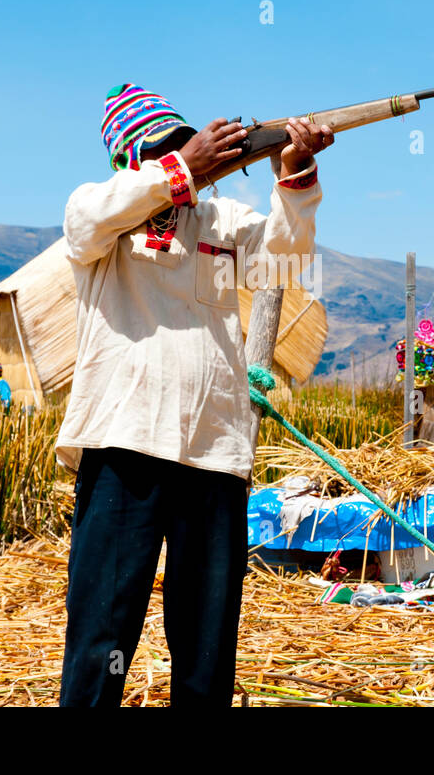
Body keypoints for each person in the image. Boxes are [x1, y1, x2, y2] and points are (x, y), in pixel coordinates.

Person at [56, 83, 331, 707]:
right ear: (134, 159)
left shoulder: (220, 225)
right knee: (104, 631)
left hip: (214, 452)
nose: (183, 159)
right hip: (125, 445)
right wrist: (182, 168)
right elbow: (91, 218)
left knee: (207, 641)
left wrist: (295, 172)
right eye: (162, 150)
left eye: (183, 145)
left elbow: (285, 263)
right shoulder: (101, 223)